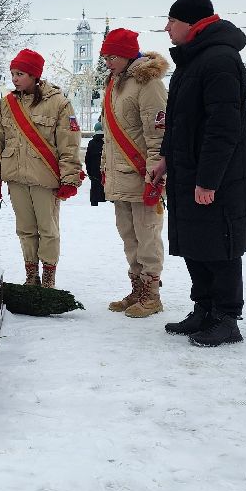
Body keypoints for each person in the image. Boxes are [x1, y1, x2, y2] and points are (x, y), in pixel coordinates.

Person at [147, 0, 246, 348]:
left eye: (172, 21)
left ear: (191, 23)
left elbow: (222, 128)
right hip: (187, 171)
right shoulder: (193, 59)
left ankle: (226, 318)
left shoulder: (220, 59)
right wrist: (166, 158)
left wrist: (208, 179)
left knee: (220, 247)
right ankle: (203, 309)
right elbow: (179, 121)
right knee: (196, 243)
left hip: (215, 177)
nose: (166, 28)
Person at [0, 48, 83, 288]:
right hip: (16, 176)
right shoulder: (8, 104)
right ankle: (31, 275)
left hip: (45, 177)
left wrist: (70, 178)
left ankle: (49, 277)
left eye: (20, 73)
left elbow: (69, 143)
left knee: (48, 230)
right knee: (25, 229)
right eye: (13, 73)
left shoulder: (59, 103)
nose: (15, 79)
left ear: (34, 75)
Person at [97, 28, 168, 318]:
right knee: (129, 236)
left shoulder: (148, 83)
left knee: (147, 235)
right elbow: (109, 135)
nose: (107, 62)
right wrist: (104, 166)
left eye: (112, 56)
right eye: (105, 56)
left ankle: (152, 295)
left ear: (127, 55)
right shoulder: (114, 83)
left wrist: (155, 173)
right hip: (119, 174)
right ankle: (137, 289)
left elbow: (157, 134)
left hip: (142, 175)